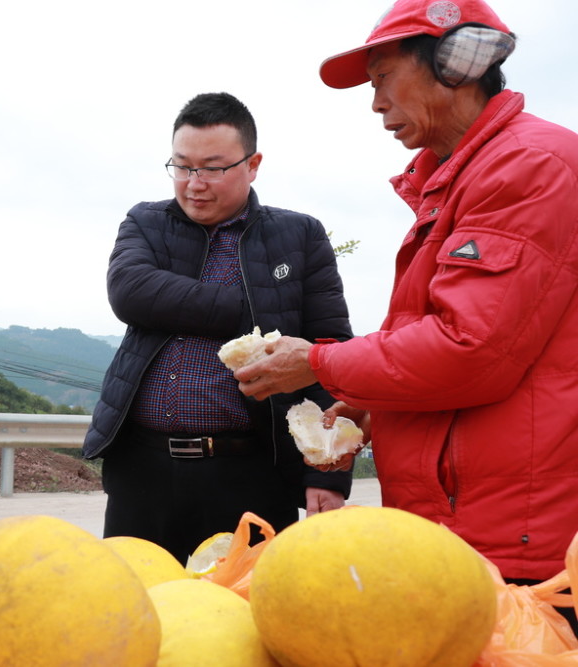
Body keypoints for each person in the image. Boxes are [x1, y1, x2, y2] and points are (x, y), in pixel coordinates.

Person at [234, 0, 578, 634]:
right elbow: (464, 340)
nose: (375, 104)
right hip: (460, 529)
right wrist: (370, 406)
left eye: (383, 78)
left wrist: (317, 362)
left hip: (511, 544)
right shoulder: (459, 181)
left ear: (457, 63)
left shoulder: (528, 166)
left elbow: (470, 350)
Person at [82, 92, 354, 564]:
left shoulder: (301, 236)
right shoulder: (148, 221)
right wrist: (253, 308)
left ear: (253, 165)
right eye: (182, 166)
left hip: (252, 468)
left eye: (213, 168)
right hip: (142, 466)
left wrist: (327, 475)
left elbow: (330, 350)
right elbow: (129, 290)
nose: (194, 184)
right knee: (134, 612)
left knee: (246, 617)